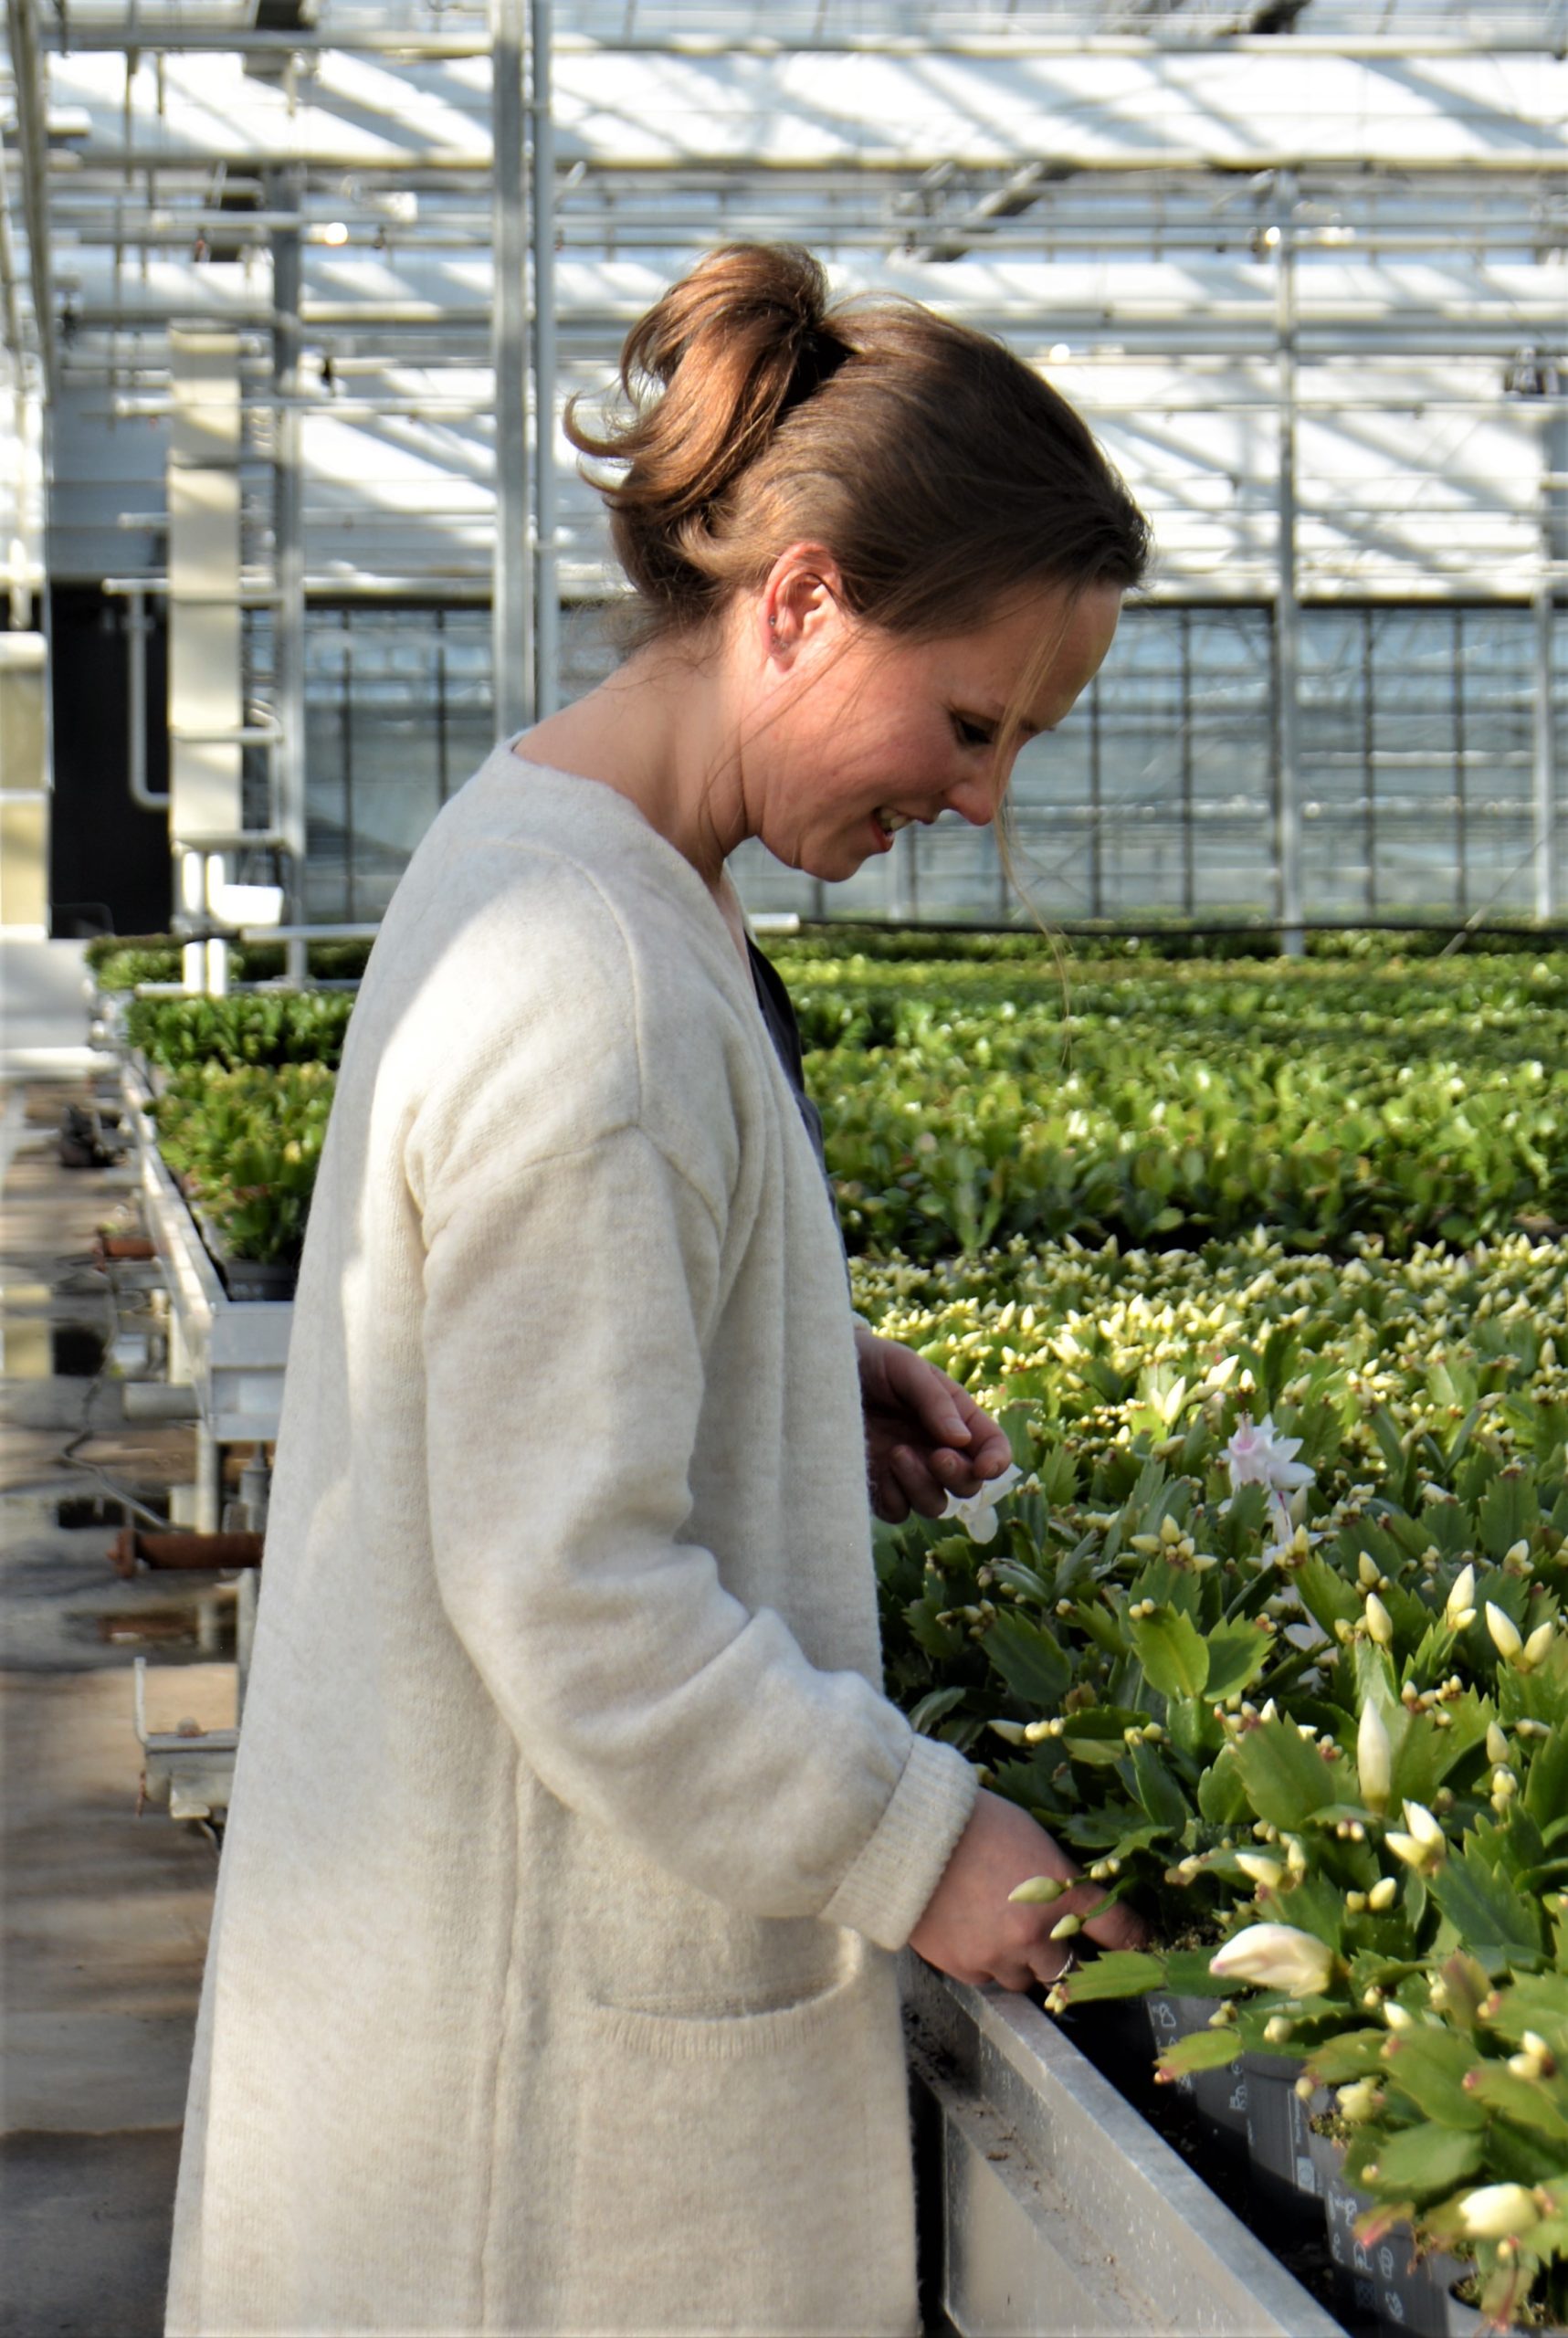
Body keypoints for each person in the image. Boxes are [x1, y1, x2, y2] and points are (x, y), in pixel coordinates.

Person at [165, 244, 1151, 2338]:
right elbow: (580, 1597)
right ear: (792, 599)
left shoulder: (577, 862)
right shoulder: (597, 980)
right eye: (970, 721)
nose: (978, 798)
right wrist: (920, 1835)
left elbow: (498, 1349)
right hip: (538, 2173)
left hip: (470, 2061)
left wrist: (781, 1366)